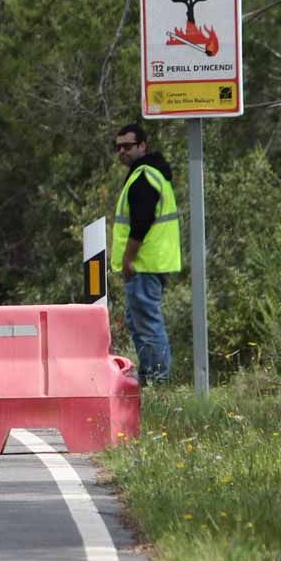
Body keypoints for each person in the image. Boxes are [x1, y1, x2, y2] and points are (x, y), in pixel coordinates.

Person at [111, 124, 182, 385]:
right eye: (118, 147)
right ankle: (149, 378)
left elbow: (141, 223)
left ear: (142, 146)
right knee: (139, 322)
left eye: (127, 146)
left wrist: (128, 260)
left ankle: (157, 381)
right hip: (153, 262)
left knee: (148, 326)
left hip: (144, 264)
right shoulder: (151, 174)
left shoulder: (143, 177)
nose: (122, 151)